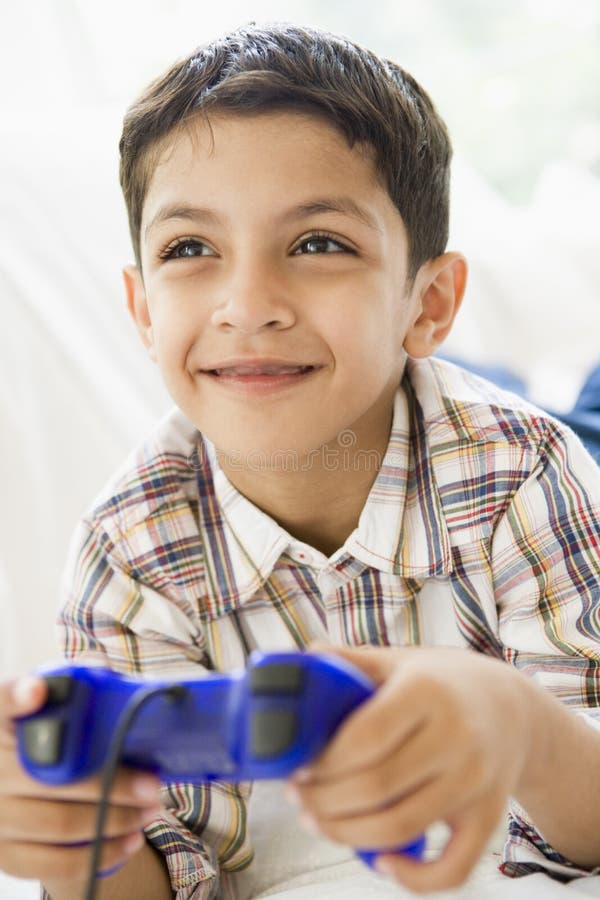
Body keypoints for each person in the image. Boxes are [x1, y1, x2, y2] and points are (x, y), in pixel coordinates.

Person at [1, 21, 599, 900]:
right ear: (140, 310)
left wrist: (524, 727)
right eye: (190, 249)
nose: (248, 305)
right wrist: (84, 836)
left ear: (428, 302)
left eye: (318, 243)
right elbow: (168, 866)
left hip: (530, 436)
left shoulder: (522, 471)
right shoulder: (127, 556)